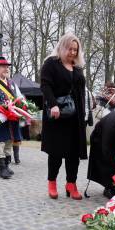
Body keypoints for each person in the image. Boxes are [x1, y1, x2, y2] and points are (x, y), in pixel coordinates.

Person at [41, 33, 87, 200]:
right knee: (56, 151)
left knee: (73, 152)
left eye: (76, 50)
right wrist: (53, 104)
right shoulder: (51, 63)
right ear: (62, 47)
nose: (73, 53)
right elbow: (45, 86)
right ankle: (52, 182)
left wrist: (86, 111)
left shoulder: (78, 68)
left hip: (76, 117)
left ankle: (71, 183)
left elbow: (81, 91)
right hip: (58, 115)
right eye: (70, 49)